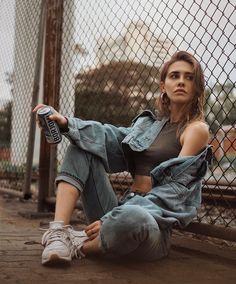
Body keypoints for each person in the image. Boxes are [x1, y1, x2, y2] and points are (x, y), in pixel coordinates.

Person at [33, 51, 211, 266]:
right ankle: (59, 233)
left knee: (132, 217)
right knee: (82, 146)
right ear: (163, 85)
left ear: (197, 87)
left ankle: (79, 246)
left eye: (189, 77)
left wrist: (113, 218)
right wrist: (65, 123)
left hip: (149, 224)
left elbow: (176, 190)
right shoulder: (149, 126)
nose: (181, 81)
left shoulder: (196, 129)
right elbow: (108, 136)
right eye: (175, 76)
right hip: (116, 213)